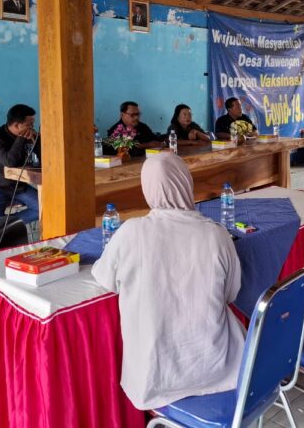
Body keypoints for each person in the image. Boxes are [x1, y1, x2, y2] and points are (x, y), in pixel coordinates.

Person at [91, 153, 245, 410]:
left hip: (157, 378)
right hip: (221, 368)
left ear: (147, 188)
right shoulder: (216, 234)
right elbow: (232, 293)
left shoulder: (131, 232)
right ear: (186, 183)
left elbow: (105, 279)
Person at [0, 103, 40, 224]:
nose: (32, 127)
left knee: (44, 208)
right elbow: (10, 162)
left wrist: (37, 140)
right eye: (29, 125)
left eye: (32, 124)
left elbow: (42, 157)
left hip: (17, 186)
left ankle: (6, 225)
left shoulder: (28, 135)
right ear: (16, 125)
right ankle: (1, 226)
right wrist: (21, 139)